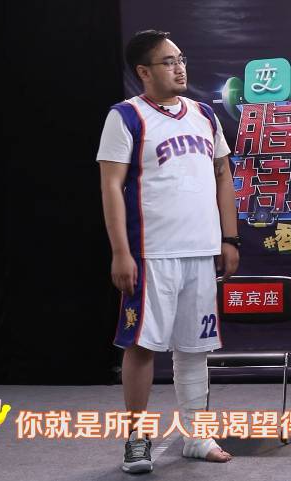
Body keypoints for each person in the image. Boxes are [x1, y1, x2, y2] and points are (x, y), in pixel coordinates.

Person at [97, 29, 241, 474]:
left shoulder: (204, 115)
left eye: (181, 59)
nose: (179, 68)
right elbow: (111, 186)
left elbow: (223, 176)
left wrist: (229, 238)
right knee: (142, 345)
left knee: (194, 349)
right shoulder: (126, 116)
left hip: (200, 251)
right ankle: (136, 438)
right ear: (144, 71)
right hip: (151, 252)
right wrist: (121, 252)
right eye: (168, 61)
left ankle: (196, 436)